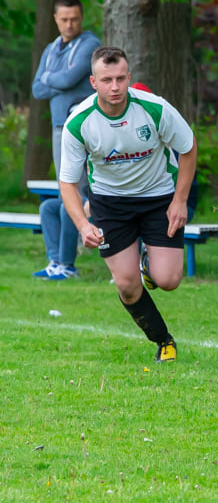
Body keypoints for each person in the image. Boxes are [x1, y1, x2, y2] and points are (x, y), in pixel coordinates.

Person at [58, 46, 197, 363]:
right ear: (94, 82)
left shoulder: (154, 109)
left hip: (158, 197)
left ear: (130, 78)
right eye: (107, 80)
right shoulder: (79, 123)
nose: (115, 87)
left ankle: (149, 262)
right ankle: (164, 341)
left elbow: (188, 148)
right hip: (110, 206)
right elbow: (67, 183)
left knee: (169, 280)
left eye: (121, 78)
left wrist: (180, 201)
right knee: (128, 286)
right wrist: (83, 224)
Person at [31, 0, 101, 280]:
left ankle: (68, 263)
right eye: (64, 19)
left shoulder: (90, 45)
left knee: (78, 192)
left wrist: (52, 78)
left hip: (82, 128)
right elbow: (37, 89)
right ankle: (56, 262)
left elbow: (68, 80)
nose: (70, 24)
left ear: (81, 17)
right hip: (59, 128)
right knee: (61, 196)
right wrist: (54, 79)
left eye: (74, 18)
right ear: (55, 19)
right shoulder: (50, 49)